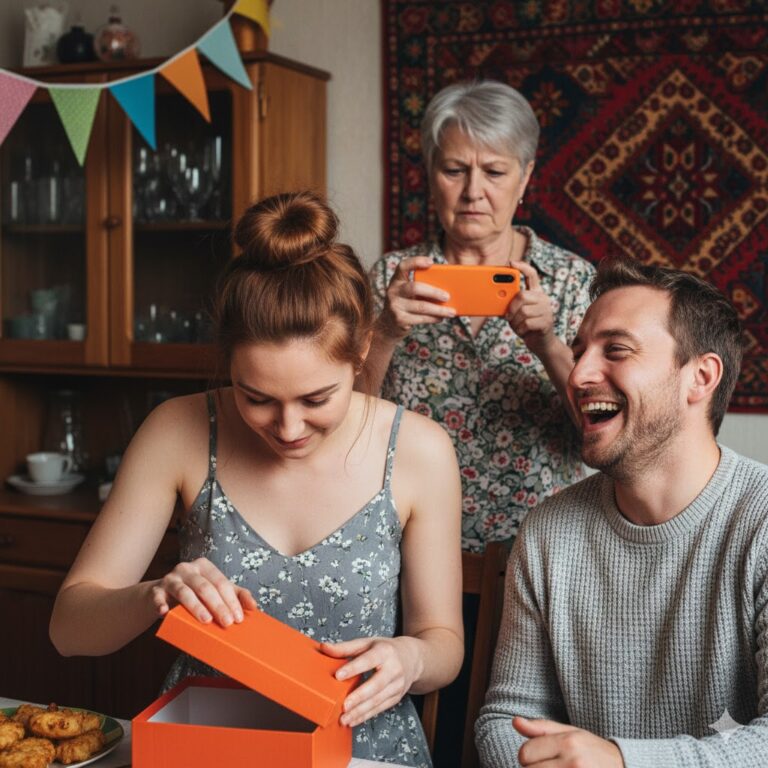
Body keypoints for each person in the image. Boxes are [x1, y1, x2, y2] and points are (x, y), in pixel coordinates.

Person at [50, 191, 464, 768]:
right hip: (208, 749)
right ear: (228, 365)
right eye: (257, 398)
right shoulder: (178, 430)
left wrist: (412, 659)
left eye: (318, 398)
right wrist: (156, 596)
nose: (289, 428)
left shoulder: (420, 450)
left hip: (365, 752)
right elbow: (70, 630)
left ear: (362, 350)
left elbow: (443, 639)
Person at [475, 255, 768, 767]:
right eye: (580, 350)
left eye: (616, 350)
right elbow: (506, 716)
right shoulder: (548, 531)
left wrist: (621, 761)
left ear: (700, 377)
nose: (580, 373)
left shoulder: (761, 522)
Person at [366, 80, 596, 554]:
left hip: (540, 549)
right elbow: (340, 412)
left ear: (526, 176)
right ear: (430, 171)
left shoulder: (572, 280)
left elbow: (600, 426)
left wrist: (548, 344)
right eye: (454, 169)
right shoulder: (394, 277)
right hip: (405, 541)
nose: (473, 191)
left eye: (494, 171)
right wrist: (386, 331)